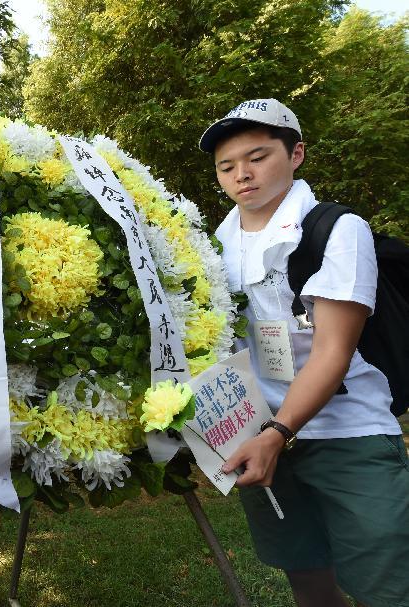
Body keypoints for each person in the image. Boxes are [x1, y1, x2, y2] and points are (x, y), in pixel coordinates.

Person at [201, 98, 409, 607]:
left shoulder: (337, 229)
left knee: (387, 586)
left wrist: (277, 433)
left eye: (258, 157)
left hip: (347, 433)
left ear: (296, 154)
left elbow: (333, 350)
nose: (242, 175)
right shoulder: (212, 246)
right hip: (260, 439)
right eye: (227, 167)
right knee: (307, 576)